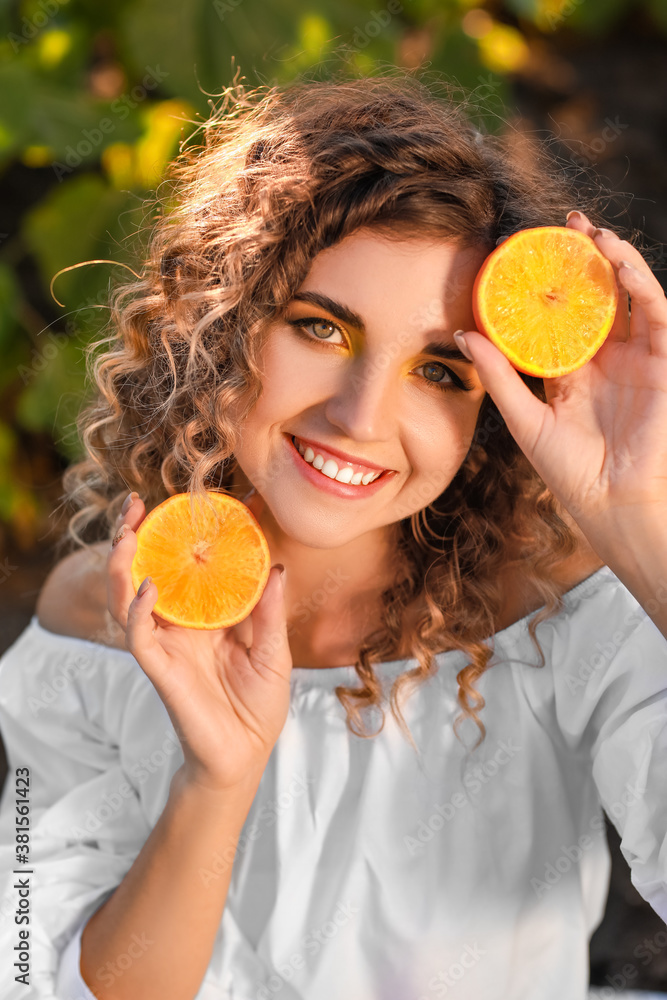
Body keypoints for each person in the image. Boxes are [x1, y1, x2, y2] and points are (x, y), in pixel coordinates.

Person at [1, 71, 666, 1000]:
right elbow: (40, 979)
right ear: (222, 322)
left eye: (440, 371)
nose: (361, 418)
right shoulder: (100, 621)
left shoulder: (564, 606)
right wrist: (216, 780)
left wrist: (643, 536)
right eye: (320, 328)